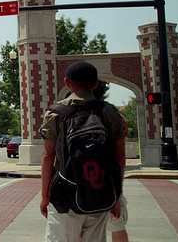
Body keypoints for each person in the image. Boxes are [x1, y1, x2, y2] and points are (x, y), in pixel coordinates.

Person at [39, 61, 126, 241]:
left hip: (64, 197)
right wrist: (116, 196)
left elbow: (48, 156)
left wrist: (45, 196)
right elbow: (119, 158)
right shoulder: (109, 112)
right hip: (100, 193)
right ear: (95, 84)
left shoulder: (55, 113)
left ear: (67, 83)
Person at [92, 81, 129, 242]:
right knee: (117, 225)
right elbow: (120, 156)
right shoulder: (115, 116)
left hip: (81, 182)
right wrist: (118, 191)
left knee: (82, 230)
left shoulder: (70, 114)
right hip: (110, 182)